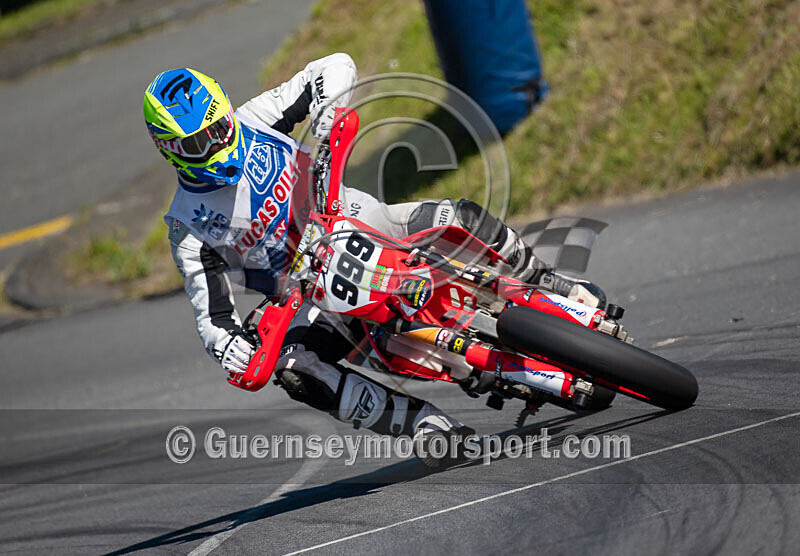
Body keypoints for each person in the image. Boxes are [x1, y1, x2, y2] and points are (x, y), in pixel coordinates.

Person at [143, 53, 604, 460]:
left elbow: (334, 66)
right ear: (172, 151)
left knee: (458, 215)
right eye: (199, 142)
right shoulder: (188, 228)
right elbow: (212, 319)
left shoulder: (256, 118)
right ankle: (422, 426)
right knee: (295, 370)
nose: (219, 143)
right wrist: (231, 349)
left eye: (220, 127)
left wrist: (327, 122)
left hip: (363, 220)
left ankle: (550, 282)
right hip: (311, 298)